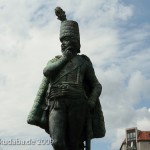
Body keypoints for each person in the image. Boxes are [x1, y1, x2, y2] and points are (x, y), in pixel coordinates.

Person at [27, 7, 105, 150]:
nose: (63, 43)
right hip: (56, 103)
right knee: (57, 142)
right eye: (62, 40)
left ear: (75, 41)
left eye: (67, 39)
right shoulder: (55, 61)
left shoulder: (84, 62)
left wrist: (91, 101)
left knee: (74, 144)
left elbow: (96, 85)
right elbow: (47, 72)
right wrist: (65, 59)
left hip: (78, 103)